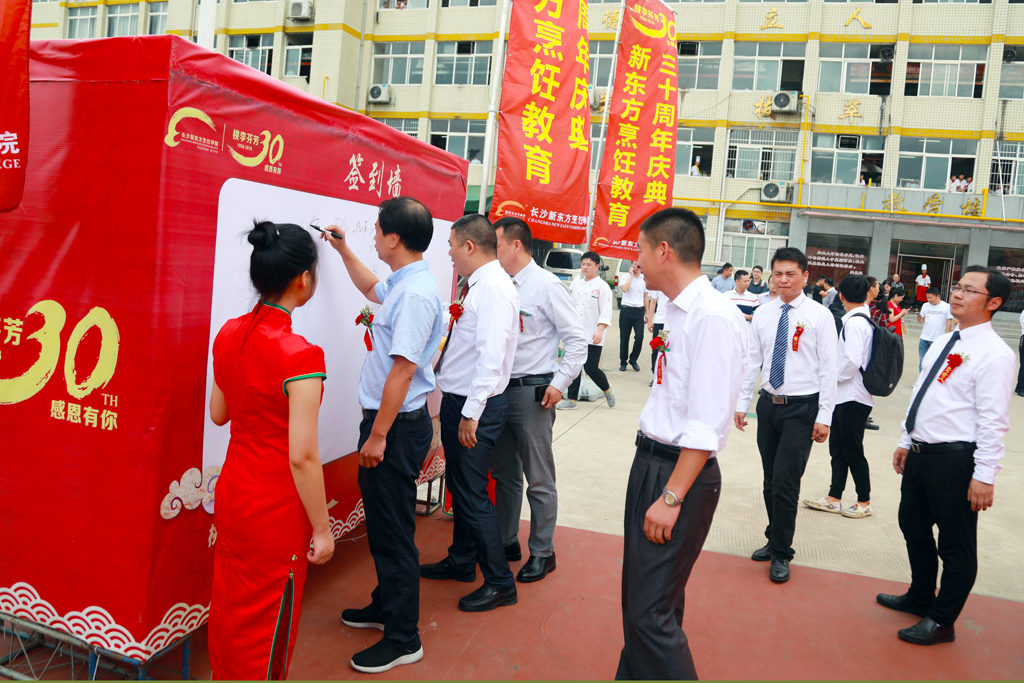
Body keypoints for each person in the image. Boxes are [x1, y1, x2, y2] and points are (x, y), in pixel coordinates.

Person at [617, 208, 747, 681]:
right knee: (646, 604)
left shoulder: (712, 317)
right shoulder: (676, 310)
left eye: (640, 250)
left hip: (678, 475)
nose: (636, 261)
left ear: (664, 251)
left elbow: (705, 423)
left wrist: (671, 496)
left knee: (649, 614)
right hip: (652, 462)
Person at [208, 221, 333, 680]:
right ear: (304, 279)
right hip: (276, 505)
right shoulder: (301, 356)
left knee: (230, 604)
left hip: (235, 488)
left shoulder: (229, 333)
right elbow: (302, 456)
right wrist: (323, 528)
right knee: (269, 616)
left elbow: (219, 413)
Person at [321, 199, 442, 673]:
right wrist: (343, 249)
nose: (372, 236)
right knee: (386, 524)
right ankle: (385, 605)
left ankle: (403, 637)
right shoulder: (405, 282)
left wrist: (377, 435)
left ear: (394, 238)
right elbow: (372, 287)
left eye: (375, 230)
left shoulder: (416, 295)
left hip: (393, 428)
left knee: (393, 533)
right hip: (390, 424)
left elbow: (404, 370)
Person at [878, 266, 1014, 645]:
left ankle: (942, 620)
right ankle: (920, 595)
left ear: (994, 302)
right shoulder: (943, 342)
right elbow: (922, 394)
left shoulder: (995, 354)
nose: (957, 294)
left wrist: (984, 475)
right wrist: (906, 439)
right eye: (958, 286)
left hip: (956, 460)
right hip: (921, 453)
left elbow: (994, 421)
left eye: (969, 290)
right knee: (912, 525)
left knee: (955, 544)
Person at [420, 214, 520, 613]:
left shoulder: (493, 288)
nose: (448, 253)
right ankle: (463, 560)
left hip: (474, 406)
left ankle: (500, 581)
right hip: (460, 401)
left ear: (469, 246)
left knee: (473, 494)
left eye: (451, 245)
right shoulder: (477, 285)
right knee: (461, 489)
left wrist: (471, 413)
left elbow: (491, 359)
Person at [489, 217, 587, 583]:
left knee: (539, 477)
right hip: (499, 392)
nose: (491, 252)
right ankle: (506, 541)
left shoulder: (546, 286)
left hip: (533, 395)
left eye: (496, 245)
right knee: (505, 474)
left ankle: (543, 552)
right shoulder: (499, 284)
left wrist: (560, 383)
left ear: (516, 245)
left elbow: (577, 340)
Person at [734, 247, 838, 584]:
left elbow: (829, 369)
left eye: (791, 273)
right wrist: (742, 403)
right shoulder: (763, 313)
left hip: (802, 409)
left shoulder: (820, 316)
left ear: (805, 277)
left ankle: (781, 552)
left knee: (786, 481)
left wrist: (825, 416)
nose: (783, 280)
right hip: (768, 406)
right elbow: (753, 360)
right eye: (778, 273)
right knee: (770, 479)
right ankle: (774, 536)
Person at [803, 274, 875, 519]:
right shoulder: (862, 320)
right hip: (847, 396)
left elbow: (851, 361)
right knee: (839, 450)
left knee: (852, 451)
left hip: (852, 396)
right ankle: (834, 497)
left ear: (841, 296)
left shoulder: (854, 323)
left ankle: (864, 501)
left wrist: (831, 379)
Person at [559, 252, 616, 410]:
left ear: (597, 267)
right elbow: (569, 304)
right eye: (583, 264)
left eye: (589, 264)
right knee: (574, 366)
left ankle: (607, 389)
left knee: (591, 367)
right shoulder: (576, 283)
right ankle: (572, 400)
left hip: (593, 333)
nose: (585, 267)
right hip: (576, 332)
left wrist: (600, 330)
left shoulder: (602, 286)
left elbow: (606, 312)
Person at [917, 287, 954, 373]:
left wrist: (947, 337)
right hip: (924, 338)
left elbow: (949, 322)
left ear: (938, 296)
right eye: (927, 298)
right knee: (923, 361)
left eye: (931, 297)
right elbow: (921, 321)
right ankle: (922, 379)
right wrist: (919, 317)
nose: (929, 300)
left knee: (935, 361)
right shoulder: (925, 306)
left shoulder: (946, 306)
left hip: (938, 339)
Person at [618, 262, 647, 372]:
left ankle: (633, 359)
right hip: (626, 310)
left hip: (639, 311)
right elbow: (624, 289)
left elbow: (645, 297)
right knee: (624, 338)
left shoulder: (644, 279)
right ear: (631, 264)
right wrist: (631, 276)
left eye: (639, 264)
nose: (637, 266)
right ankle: (623, 361)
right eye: (635, 264)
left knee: (639, 337)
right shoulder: (625, 277)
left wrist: (648, 313)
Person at [645, 288, 671, 386]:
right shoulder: (658, 283)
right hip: (659, 320)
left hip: (671, 321)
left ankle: (668, 377)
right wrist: (650, 321)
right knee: (656, 349)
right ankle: (656, 376)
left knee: (669, 349)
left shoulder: (675, 281)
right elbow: (653, 302)